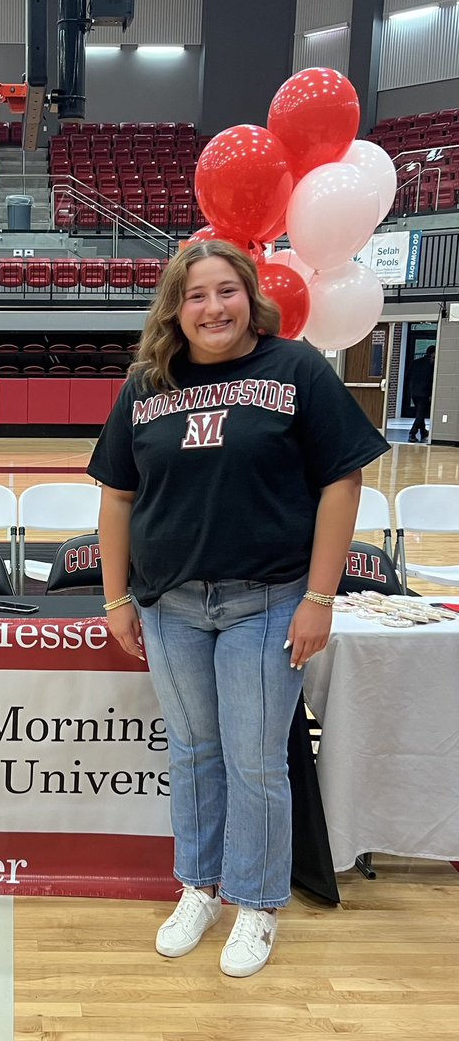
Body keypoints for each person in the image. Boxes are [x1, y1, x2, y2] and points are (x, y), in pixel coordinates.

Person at [87, 240, 389, 979]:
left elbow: (340, 484)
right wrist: (115, 596)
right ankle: (200, 887)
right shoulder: (145, 383)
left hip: (266, 600)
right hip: (168, 604)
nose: (212, 307)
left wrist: (320, 597)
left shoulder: (295, 369)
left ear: (249, 296)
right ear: (175, 308)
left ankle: (255, 903)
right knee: (192, 755)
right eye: (195, 295)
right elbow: (118, 496)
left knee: (254, 762)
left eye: (225, 291)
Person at [408, 344, 435, 442]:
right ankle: (412, 433)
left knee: (420, 412)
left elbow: (408, 376)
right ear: (433, 353)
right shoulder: (432, 364)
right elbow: (432, 379)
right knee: (421, 414)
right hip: (425, 392)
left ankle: (423, 431)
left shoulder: (415, 362)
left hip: (414, 392)